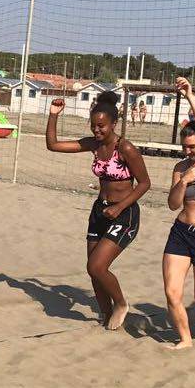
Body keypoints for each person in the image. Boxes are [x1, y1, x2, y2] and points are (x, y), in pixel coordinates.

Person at [45, 91, 151, 329]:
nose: (97, 130)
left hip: (124, 213)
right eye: (93, 126)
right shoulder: (93, 144)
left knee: (96, 266)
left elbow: (145, 183)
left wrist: (120, 207)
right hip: (99, 212)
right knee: (93, 271)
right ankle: (105, 316)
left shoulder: (126, 148)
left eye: (102, 126)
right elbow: (53, 146)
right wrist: (53, 116)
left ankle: (121, 303)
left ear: (113, 124)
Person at [163, 77, 195, 349]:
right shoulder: (181, 168)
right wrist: (184, 180)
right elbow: (172, 204)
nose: (187, 151)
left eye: (192, 146)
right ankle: (185, 339)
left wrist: (190, 96)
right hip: (181, 233)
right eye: (184, 147)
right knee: (172, 292)